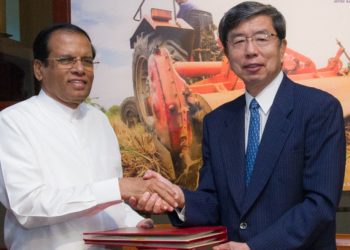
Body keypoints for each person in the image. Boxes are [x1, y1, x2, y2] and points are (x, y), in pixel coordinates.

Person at [131, 1, 346, 249]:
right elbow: (214, 202)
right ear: (227, 53)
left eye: (262, 38)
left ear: (282, 47)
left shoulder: (319, 109)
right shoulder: (217, 121)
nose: (250, 50)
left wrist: (254, 247)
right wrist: (180, 199)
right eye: (238, 41)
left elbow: (320, 205)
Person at [0, 23, 177, 250]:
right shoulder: (13, 122)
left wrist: (137, 222)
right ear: (39, 69)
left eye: (87, 61)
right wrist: (118, 188)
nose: (79, 69)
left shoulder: (99, 121)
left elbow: (107, 202)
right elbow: (27, 207)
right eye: (66, 60)